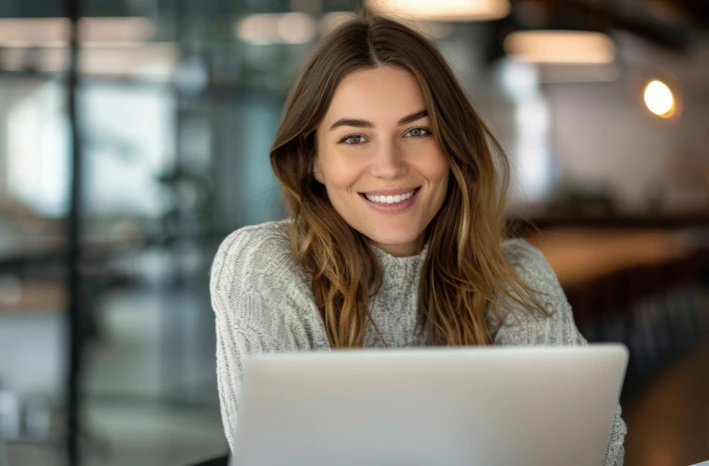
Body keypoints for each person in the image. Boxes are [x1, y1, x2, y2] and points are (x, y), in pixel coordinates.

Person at [210, 12, 627, 465]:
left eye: (416, 131)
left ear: (451, 146)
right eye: (354, 138)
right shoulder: (263, 268)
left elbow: (597, 453)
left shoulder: (514, 271)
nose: (389, 166)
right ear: (314, 162)